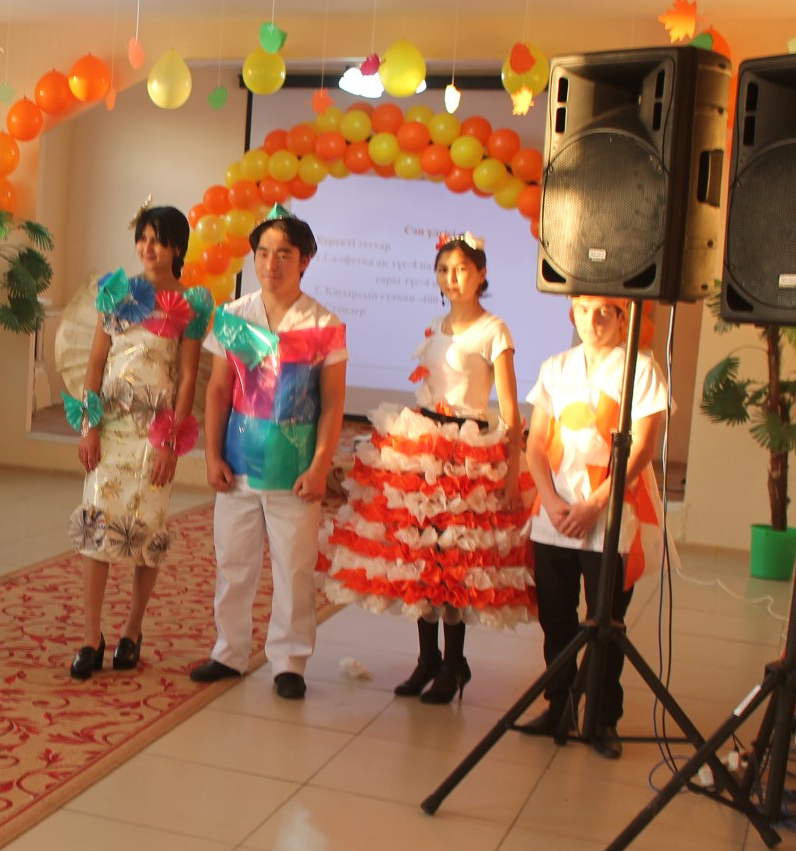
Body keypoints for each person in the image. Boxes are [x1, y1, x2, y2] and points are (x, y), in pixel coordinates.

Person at [322, 233, 533, 704]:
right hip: (425, 447)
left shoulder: (495, 330)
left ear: (481, 274)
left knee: (454, 562)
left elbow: (509, 408)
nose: (451, 278)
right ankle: (427, 660)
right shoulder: (435, 324)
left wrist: (511, 470)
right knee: (421, 558)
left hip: (467, 453)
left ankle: (455, 665)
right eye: (443, 270)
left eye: (461, 269)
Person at [188, 206, 347, 700]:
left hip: (294, 468)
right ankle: (228, 652)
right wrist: (212, 456)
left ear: (305, 260)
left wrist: (320, 465)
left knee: (294, 569)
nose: (271, 263)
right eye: (263, 253)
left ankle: (289, 661)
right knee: (233, 562)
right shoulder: (234, 316)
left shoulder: (323, 323)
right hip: (237, 461)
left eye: (284, 254)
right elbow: (218, 390)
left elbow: (333, 402)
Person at [516, 295, 669, 760]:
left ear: (624, 318)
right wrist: (550, 500)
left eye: (604, 310)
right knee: (556, 616)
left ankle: (602, 717)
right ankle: (558, 704)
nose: (592, 319)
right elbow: (536, 443)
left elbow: (642, 449)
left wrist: (595, 505)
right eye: (583, 310)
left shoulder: (641, 370)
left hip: (609, 516)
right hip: (555, 515)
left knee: (606, 622)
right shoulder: (556, 367)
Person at [66, 204, 213, 678]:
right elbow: (95, 363)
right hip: (110, 426)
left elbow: (187, 377)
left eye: (158, 240)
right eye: (143, 238)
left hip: (155, 432)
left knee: (146, 530)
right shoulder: (116, 292)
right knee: (96, 527)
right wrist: (89, 426)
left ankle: (132, 629)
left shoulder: (191, 304)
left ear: (177, 248)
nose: (148, 248)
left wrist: (171, 442)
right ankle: (91, 636)